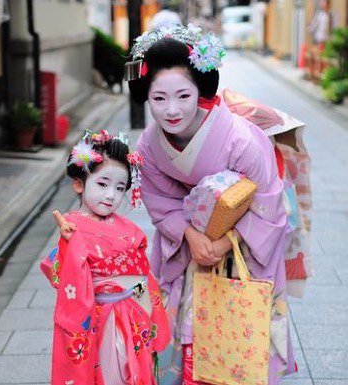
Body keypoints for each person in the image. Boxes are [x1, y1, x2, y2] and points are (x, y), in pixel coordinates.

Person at [126, 25, 297, 385]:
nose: (171, 110)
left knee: (236, 339)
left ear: (200, 91)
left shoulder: (241, 140)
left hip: (240, 247)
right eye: (159, 99)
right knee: (187, 336)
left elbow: (269, 203)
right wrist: (190, 235)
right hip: (189, 246)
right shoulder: (149, 145)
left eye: (183, 96)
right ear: (146, 96)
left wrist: (221, 242)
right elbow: (159, 201)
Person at [40, 132, 170, 385]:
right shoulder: (72, 227)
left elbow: (144, 278)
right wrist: (68, 245)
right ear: (79, 184)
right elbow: (62, 279)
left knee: (130, 372)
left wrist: (151, 313)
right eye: (102, 184)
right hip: (97, 318)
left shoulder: (130, 230)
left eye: (120, 188)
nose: (111, 195)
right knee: (108, 374)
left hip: (132, 315)